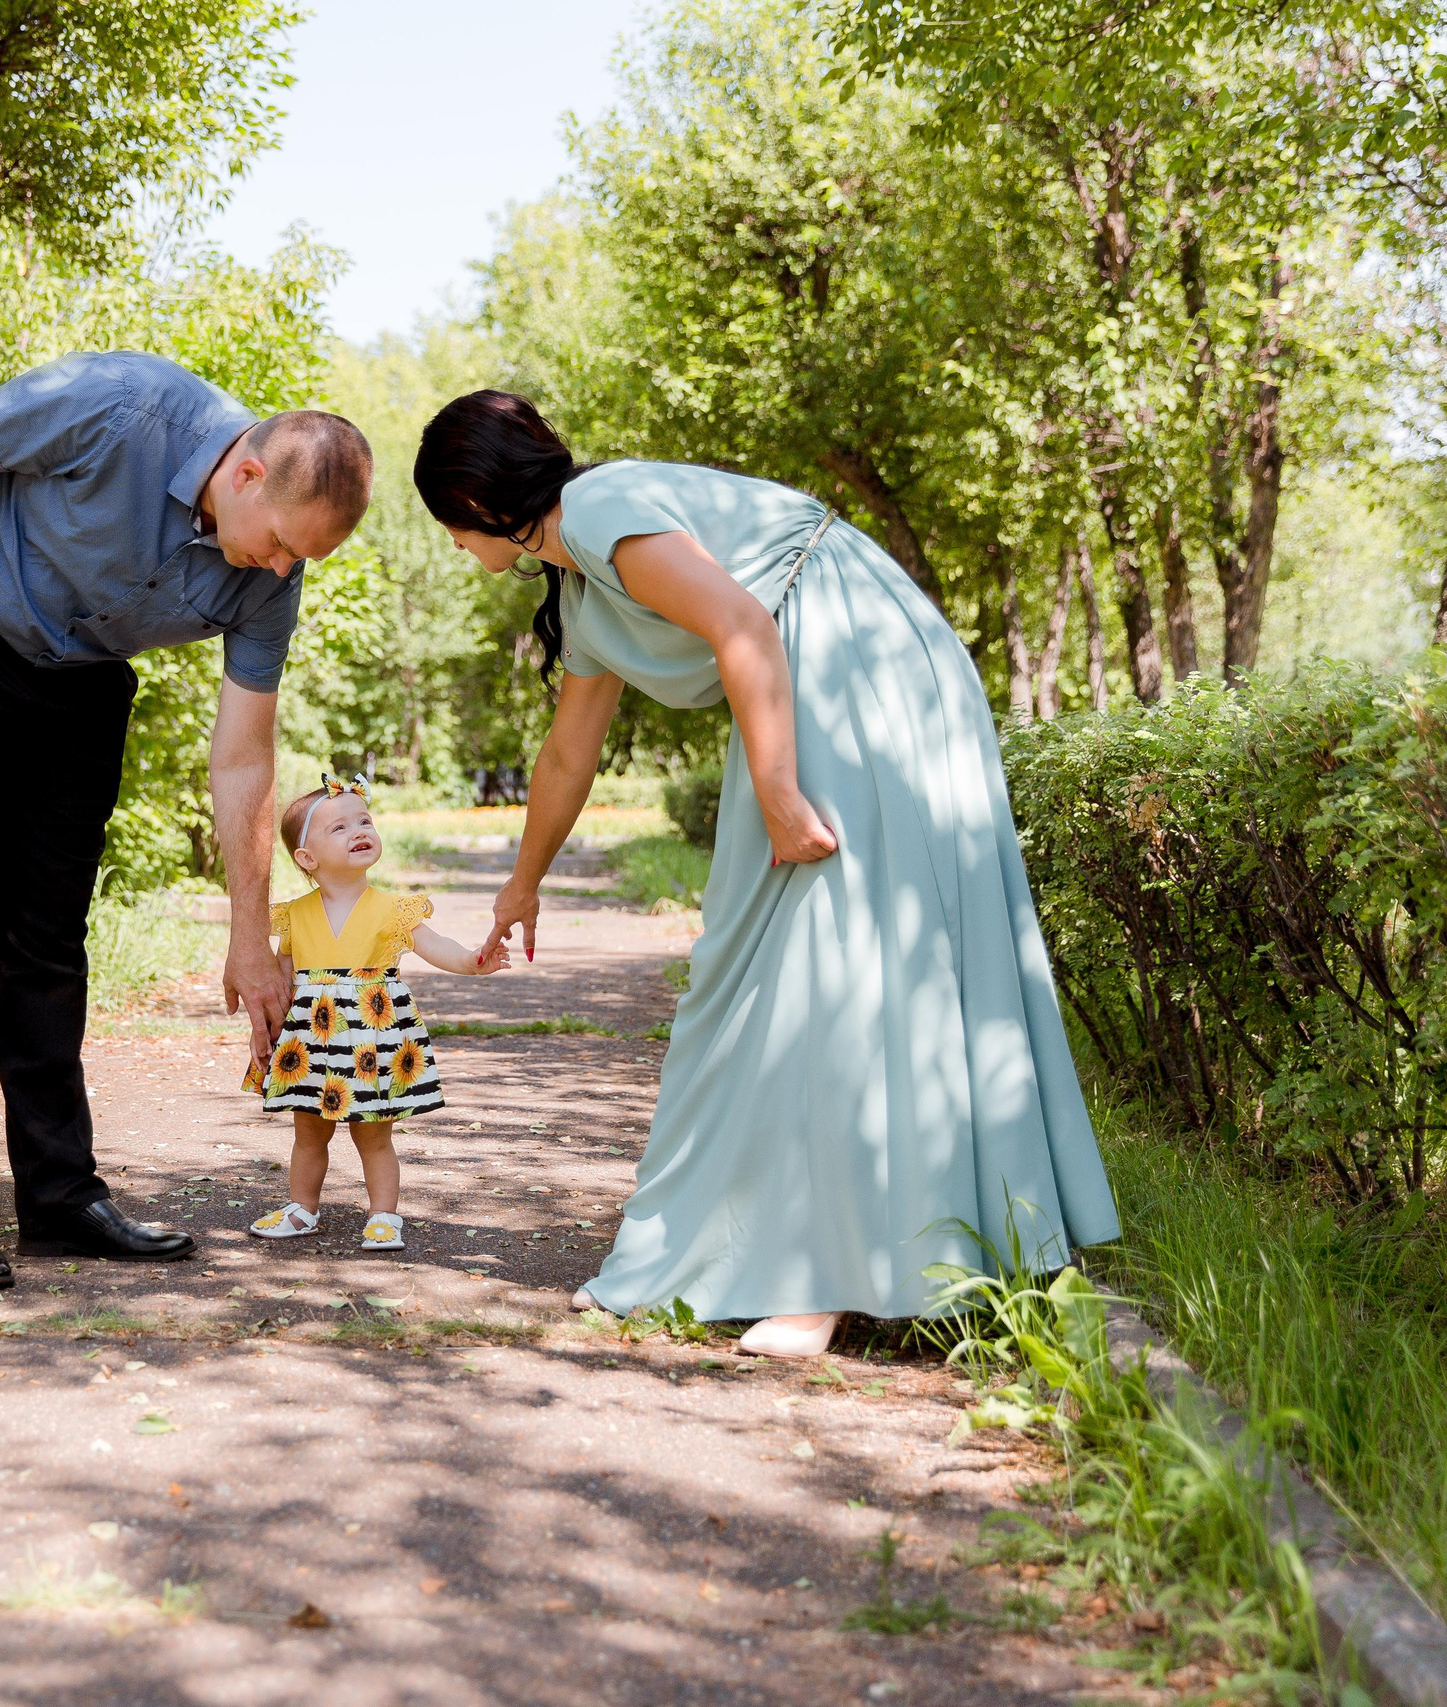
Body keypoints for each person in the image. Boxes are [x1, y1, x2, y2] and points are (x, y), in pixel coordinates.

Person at [413, 391, 1118, 1358]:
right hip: (806, 678)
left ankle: (821, 1277)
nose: (454, 545)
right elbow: (568, 753)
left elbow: (743, 625)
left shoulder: (603, 507)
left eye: (447, 523)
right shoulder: (578, 585)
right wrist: (522, 881)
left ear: (475, 499)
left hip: (849, 662)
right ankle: (696, 1255)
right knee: (744, 977)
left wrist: (780, 791)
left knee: (826, 971)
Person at [0, 351, 372, 1290]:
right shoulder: (123, 408)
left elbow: (244, 757)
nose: (279, 569)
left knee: (50, 937)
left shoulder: (275, 574)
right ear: (246, 471)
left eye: (301, 559)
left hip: (84, 683)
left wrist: (250, 936)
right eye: (277, 544)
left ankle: (59, 1198)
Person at [240, 777, 511, 1253]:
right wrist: (264, 1029)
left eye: (364, 820)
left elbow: (434, 946)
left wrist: (473, 961)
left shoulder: (392, 909)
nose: (358, 830)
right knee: (308, 1133)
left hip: (372, 1042)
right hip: (311, 1044)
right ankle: (303, 1208)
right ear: (308, 859)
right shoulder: (295, 915)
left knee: (374, 1134)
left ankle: (384, 1214)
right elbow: (280, 980)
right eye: (339, 827)